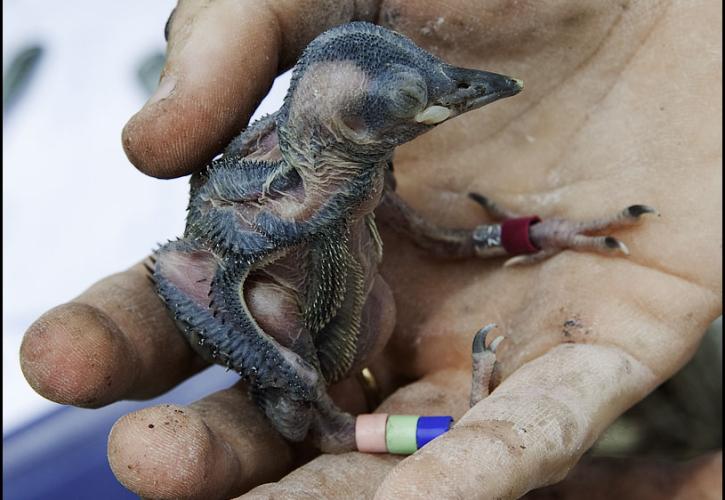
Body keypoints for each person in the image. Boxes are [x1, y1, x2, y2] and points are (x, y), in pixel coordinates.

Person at [20, 1, 722, 498]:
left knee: (401, 225)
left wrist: (521, 233)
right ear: (352, 124)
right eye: (412, 105)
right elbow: (183, 267)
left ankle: (506, 264)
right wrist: (288, 377)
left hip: (354, 297)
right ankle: (411, 427)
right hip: (298, 335)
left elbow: (418, 230)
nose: (468, 98)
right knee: (304, 414)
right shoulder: (267, 205)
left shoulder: (347, 166)